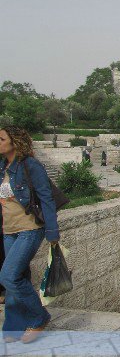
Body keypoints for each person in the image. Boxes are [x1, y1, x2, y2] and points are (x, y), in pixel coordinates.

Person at [0, 126, 61, 343]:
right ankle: (14, 326)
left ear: (14, 142)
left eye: (1, 138)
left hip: (30, 229)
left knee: (8, 275)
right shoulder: (2, 167)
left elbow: (46, 198)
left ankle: (39, 317)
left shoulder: (31, 166)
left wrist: (53, 232)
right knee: (18, 277)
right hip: (9, 231)